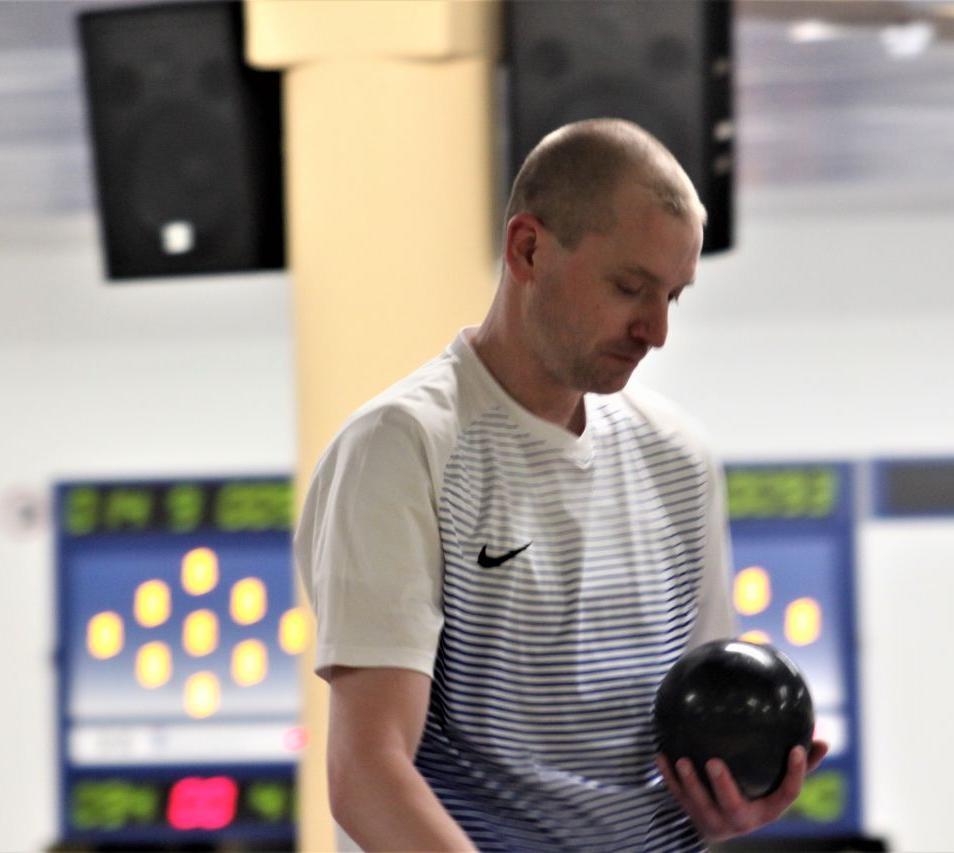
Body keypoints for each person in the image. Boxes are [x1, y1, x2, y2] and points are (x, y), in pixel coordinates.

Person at [295, 118, 828, 852]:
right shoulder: (404, 447)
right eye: (630, 287)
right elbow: (366, 773)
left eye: (672, 297)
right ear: (528, 249)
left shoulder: (679, 459)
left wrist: (725, 804)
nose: (656, 331)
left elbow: (693, 751)